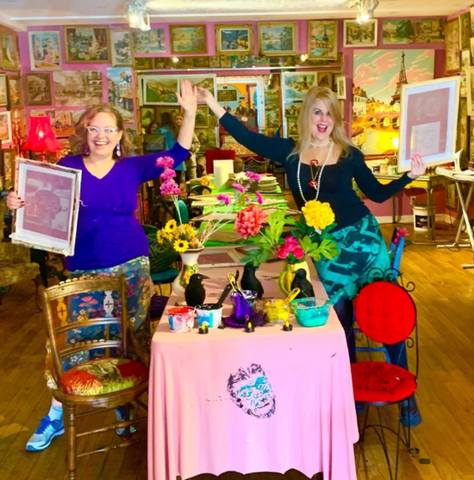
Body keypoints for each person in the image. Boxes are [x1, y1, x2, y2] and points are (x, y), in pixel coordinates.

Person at [197, 85, 425, 426]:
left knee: (383, 313)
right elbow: (246, 136)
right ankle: (354, 390)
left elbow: (376, 194)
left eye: (329, 112)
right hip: (326, 248)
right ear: (307, 115)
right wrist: (212, 103)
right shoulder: (289, 152)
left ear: (336, 118)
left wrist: (409, 177)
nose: (323, 119)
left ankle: (406, 396)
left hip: (363, 242)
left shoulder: (349, 154)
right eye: (317, 112)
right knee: (341, 321)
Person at [7, 79, 198, 452]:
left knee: (130, 338)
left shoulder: (131, 168)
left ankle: (123, 407)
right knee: (74, 342)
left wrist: (190, 113)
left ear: (119, 134)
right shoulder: (67, 166)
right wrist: (18, 202)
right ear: (85, 132)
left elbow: (177, 155)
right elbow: (40, 202)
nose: (100, 135)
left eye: (108, 129)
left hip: (131, 266)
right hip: (83, 270)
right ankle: (56, 416)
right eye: (94, 128)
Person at [156, 112, 186, 184]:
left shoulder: (159, 131)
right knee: (176, 186)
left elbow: (156, 147)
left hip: (165, 162)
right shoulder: (177, 130)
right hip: (178, 162)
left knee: (166, 187)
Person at [175, 111, 200, 180]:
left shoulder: (189, 131)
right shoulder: (172, 132)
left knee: (193, 180)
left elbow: (197, 143)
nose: (178, 121)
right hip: (178, 161)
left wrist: (189, 146)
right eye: (177, 119)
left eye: (180, 119)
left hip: (190, 160)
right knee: (181, 181)